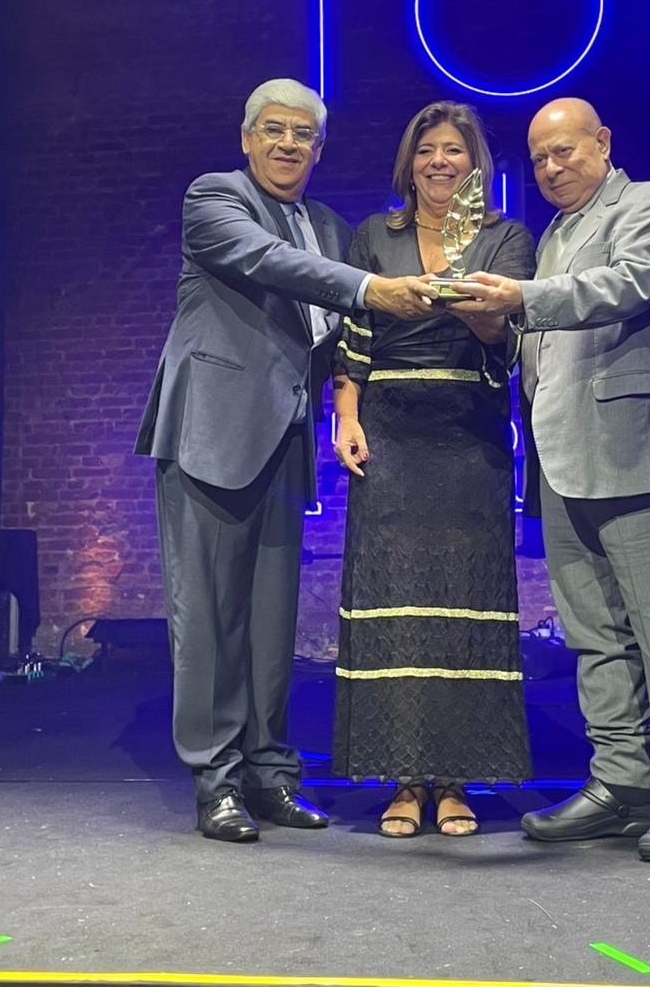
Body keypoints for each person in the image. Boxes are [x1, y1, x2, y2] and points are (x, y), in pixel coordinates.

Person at [135, 79, 437, 843]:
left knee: (272, 628)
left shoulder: (329, 226)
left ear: (319, 148)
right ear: (247, 138)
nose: (287, 144)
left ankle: (269, 775)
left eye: (303, 134)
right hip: (211, 434)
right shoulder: (215, 199)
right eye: (273, 129)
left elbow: (337, 336)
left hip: (284, 440)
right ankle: (216, 780)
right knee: (210, 619)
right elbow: (271, 263)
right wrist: (373, 287)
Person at [449, 97, 650, 863]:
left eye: (564, 151)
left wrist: (521, 298)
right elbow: (538, 346)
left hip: (640, 455)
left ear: (602, 142)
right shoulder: (553, 236)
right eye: (539, 158)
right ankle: (621, 784)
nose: (550, 168)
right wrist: (494, 325)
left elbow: (628, 285)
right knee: (594, 639)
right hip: (562, 461)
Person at [331, 100, 536, 837]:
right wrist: (346, 416)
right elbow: (352, 334)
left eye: (454, 149)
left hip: (469, 436)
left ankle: (453, 781)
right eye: (427, 150)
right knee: (397, 608)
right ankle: (403, 779)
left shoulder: (505, 238)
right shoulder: (373, 237)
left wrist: (459, 294)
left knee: (461, 609)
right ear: (409, 163)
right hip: (389, 436)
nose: (440, 161)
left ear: (474, 162)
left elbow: (507, 334)